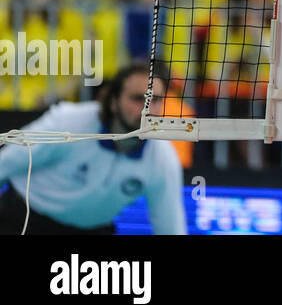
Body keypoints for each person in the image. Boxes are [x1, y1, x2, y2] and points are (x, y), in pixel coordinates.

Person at [0, 63, 186, 235]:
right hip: (26, 219)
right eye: (138, 99)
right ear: (114, 102)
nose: (149, 110)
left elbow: (170, 225)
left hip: (92, 229)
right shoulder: (68, 122)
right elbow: (5, 163)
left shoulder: (163, 156)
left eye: (156, 100)